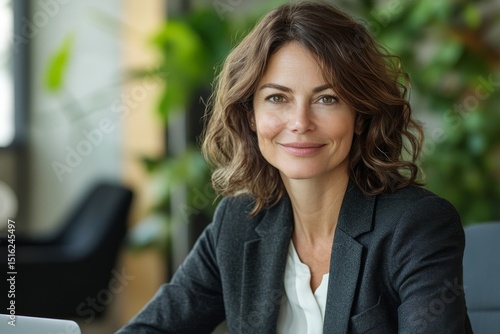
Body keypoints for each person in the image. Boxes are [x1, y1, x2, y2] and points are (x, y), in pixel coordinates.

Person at [117, 1, 473, 333]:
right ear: (251, 116)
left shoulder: (414, 227)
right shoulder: (239, 223)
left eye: (327, 99)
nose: (300, 122)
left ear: (360, 117)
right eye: (277, 98)